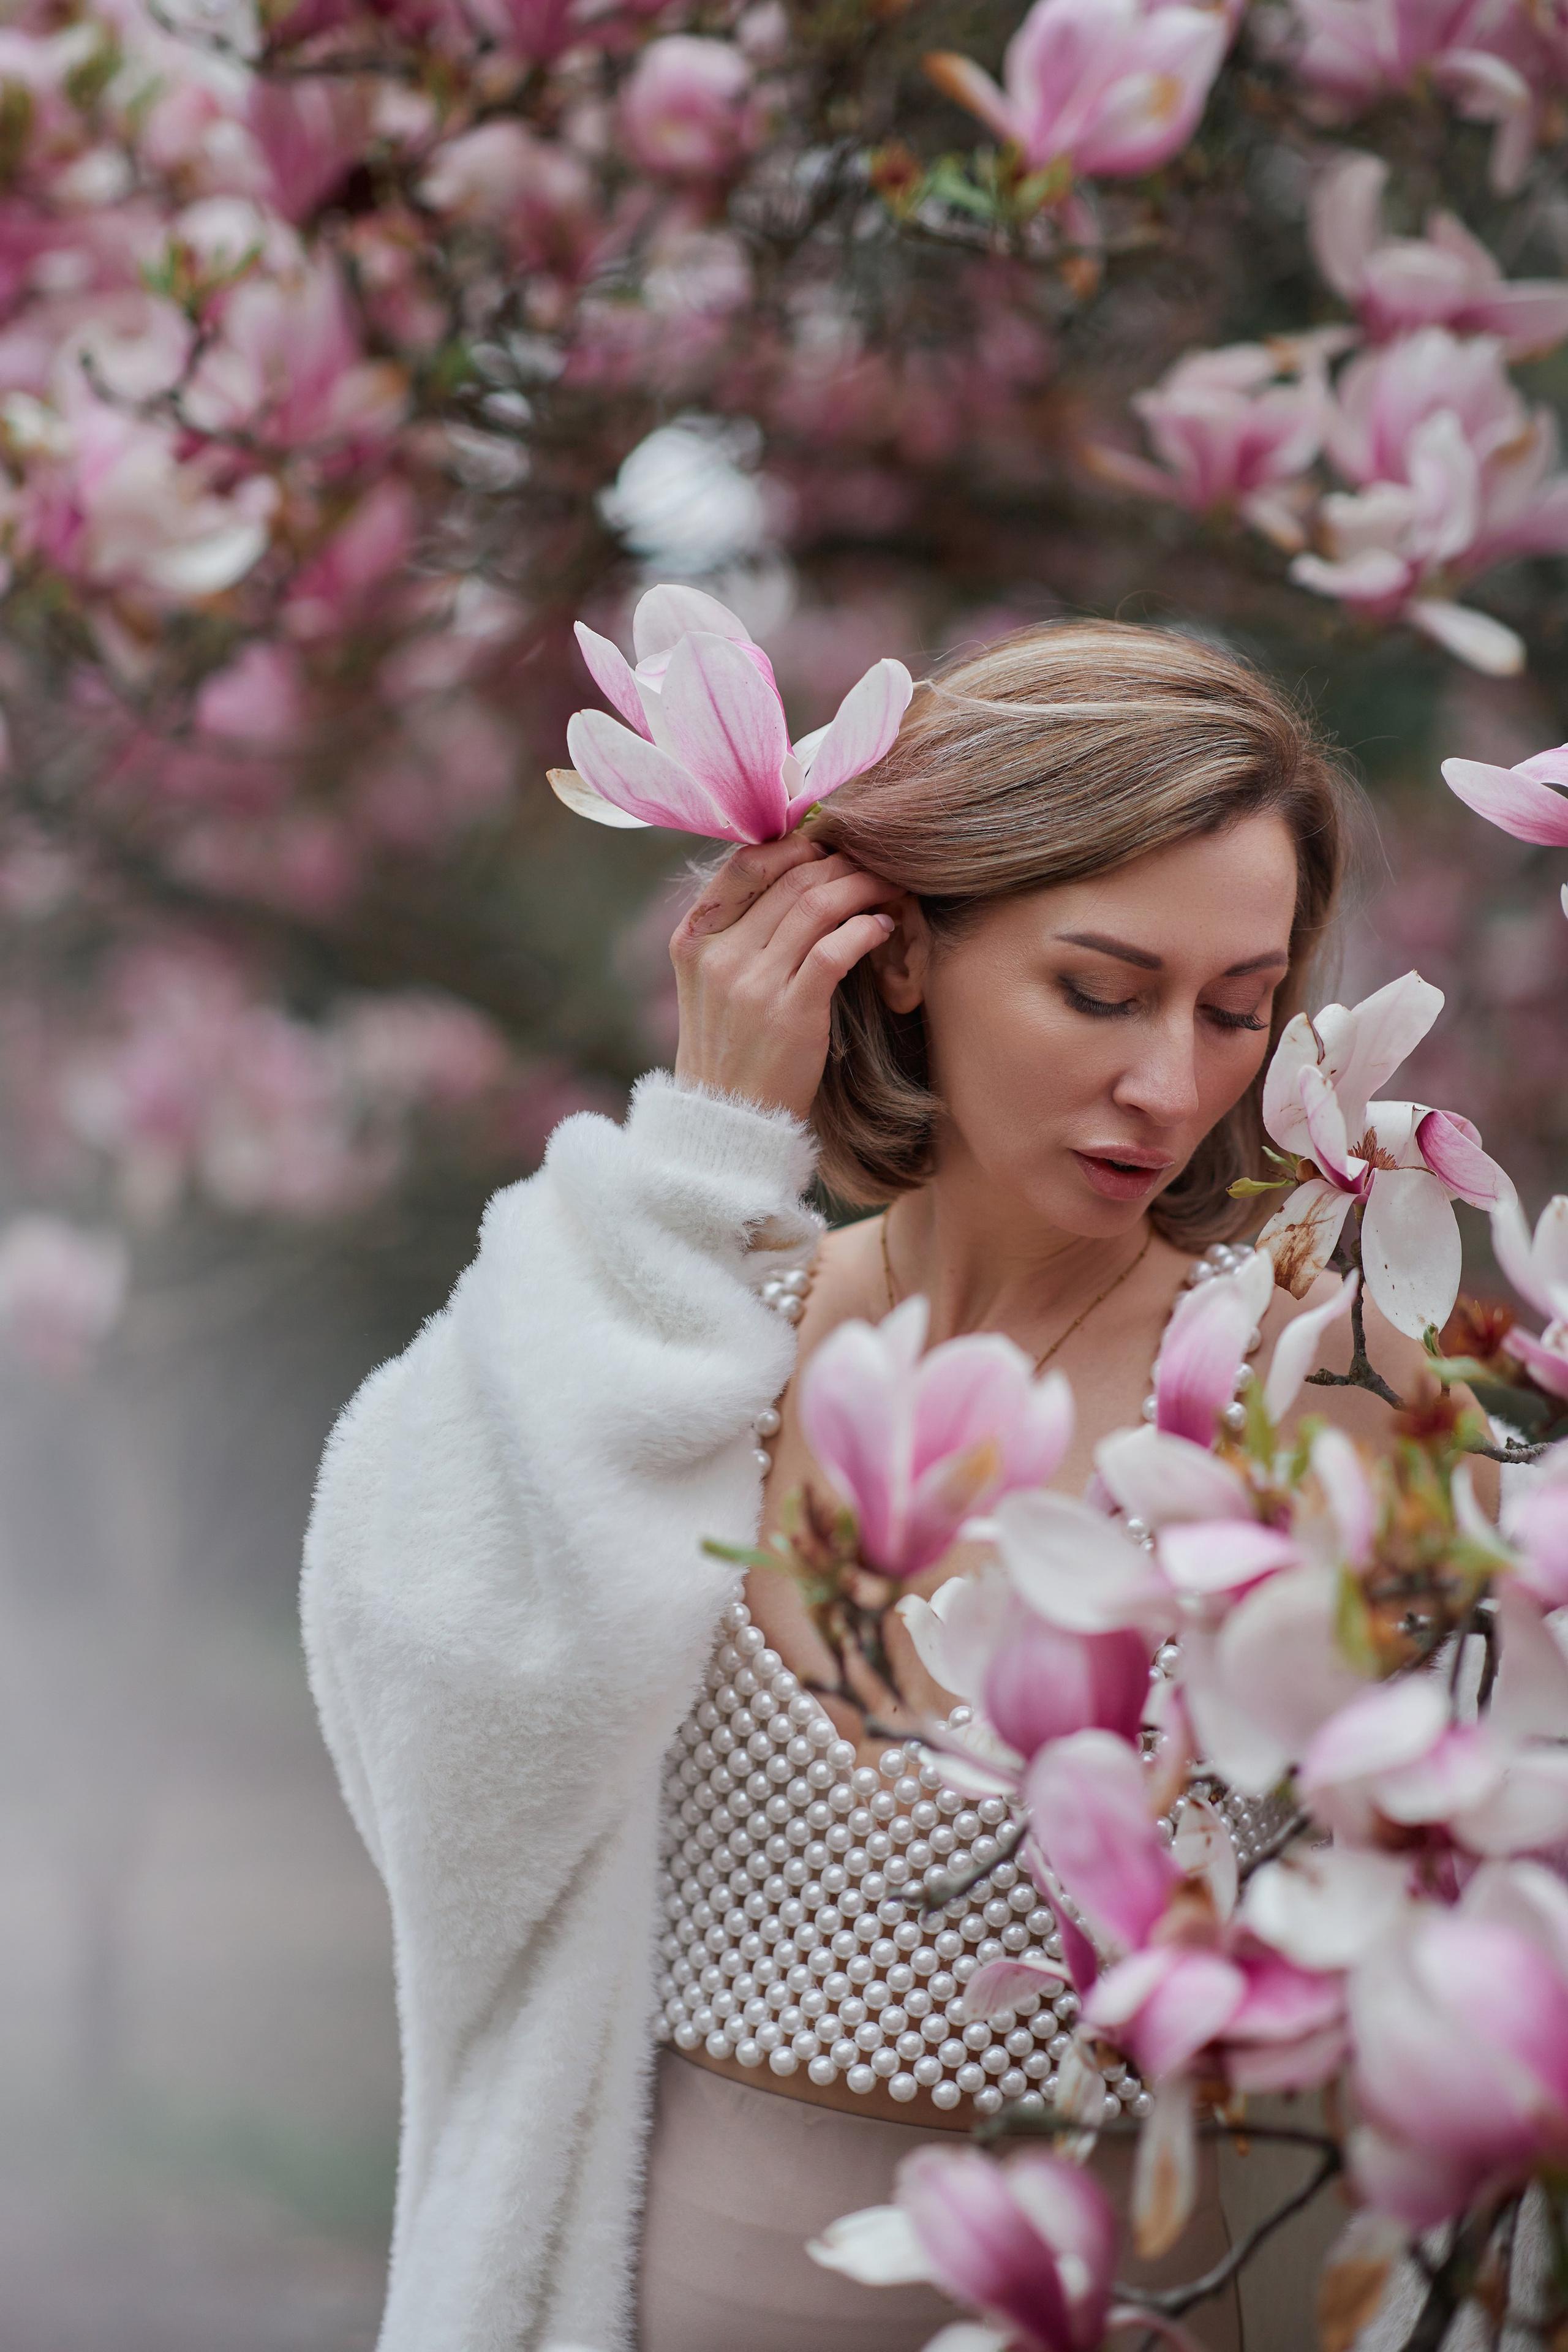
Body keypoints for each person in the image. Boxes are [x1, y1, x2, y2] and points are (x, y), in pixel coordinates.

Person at [301, 620, 1433, 2352]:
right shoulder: (689, 1337)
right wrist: (690, 1160)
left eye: (1237, 1010)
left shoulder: (1312, 1393)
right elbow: (436, 1720)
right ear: (897, 955)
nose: (1171, 1084)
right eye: (1101, 989)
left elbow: (1428, 1979)